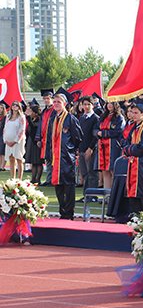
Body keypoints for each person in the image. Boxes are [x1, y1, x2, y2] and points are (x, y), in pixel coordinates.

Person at [47, 91, 82, 220]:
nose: (56, 104)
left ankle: (69, 212)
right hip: (55, 157)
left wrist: (72, 151)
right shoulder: (53, 119)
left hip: (67, 157)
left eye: (58, 102)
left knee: (68, 185)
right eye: (54, 102)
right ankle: (62, 210)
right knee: (58, 185)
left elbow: (78, 138)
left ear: (65, 104)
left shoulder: (71, 118)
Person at [117, 100, 143, 222]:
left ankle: (141, 216)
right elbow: (125, 143)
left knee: (141, 190)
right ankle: (133, 215)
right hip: (132, 162)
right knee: (131, 189)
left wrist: (129, 149)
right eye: (132, 112)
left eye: (136, 113)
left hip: (142, 163)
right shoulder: (133, 127)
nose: (133, 115)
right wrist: (129, 148)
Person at [95, 102, 125, 190]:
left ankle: (114, 194)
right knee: (105, 171)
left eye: (112, 103)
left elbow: (118, 131)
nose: (109, 105)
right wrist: (97, 133)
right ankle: (107, 194)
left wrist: (103, 133)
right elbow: (96, 128)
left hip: (113, 146)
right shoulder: (103, 116)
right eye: (108, 103)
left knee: (113, 170)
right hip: (102, 147)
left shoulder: (119, 117)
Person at [78, 97, 99, 192]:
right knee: (84, 172)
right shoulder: (81, 118)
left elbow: (95, 136)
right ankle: (86, 194)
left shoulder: (96, 118)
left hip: (91, 149)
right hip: (82, 148)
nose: (86, 106)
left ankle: (92, 194)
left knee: (92, 173)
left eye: (88, 104)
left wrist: (90, 148)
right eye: (84, 104)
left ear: (93, 105)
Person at [36, 89, 55, 185]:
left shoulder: (55, 111)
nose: (46, 100)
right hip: (44, 139)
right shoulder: (44, 111)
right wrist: (38, 138)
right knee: (47, 159)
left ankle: (53, 179)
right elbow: (40, 125)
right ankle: (49, 179)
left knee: (53, 160)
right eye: (45, 99)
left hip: (53, 139)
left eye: (48, 98)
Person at [4, 101, 26, 179]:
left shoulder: (22, 117)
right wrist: (5, 140)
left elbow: (22, 129)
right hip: (8, 141)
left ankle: (19, 179)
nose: (15, 106)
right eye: (13, 105)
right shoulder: (8, 116)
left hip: (17, 142)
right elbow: (5, 128)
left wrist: (15, 140)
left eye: (17, 105)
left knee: (19, 159)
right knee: (11, 159)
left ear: (19, 107)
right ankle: (12, 178)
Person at [25, 101, 43, 183]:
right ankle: (33, 178)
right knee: (33, 162)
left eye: (32, 111)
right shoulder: (33, 119)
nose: (30, 113)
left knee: (38, 162)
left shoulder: (39, 119)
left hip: (37, 142)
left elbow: (34, 127)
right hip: (31, 142)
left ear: (35, 113)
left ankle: (38, 179)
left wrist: (28, 117)